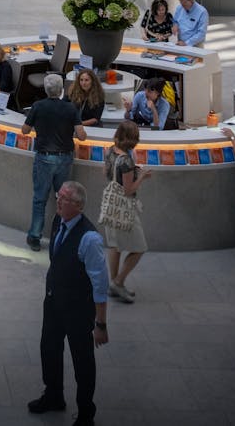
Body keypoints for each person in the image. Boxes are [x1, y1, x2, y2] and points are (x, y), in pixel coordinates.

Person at [27, 181, 109, 424]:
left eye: (64, 198)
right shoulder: (58, 220)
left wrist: (100, 324)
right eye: (59, 196)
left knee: (82, 360)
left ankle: (85, 413)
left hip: (77, 310)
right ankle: (53, 395)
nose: (58, 201)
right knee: (49, 348)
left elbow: (100, 284)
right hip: (54, 302)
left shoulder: (90, 239)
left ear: (79, 206)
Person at [21, 72, 87, 250]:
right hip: (65, 158)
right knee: (64, 199)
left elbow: (25, 130)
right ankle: (59, 235)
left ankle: (35, 237)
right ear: (61, 90)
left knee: (39, 199)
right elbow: (82, 135)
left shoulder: (38, 106)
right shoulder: (71, 108)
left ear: (46, 89)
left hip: (44, 158)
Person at [102, 119, 152, 303]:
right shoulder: (127, 161)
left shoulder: (109, 151)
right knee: (139, 248)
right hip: (124, 208)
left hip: (110, 205)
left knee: (115, 245)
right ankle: (118, 282)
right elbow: (128, 190)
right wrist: (142, 176)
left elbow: (105, 173)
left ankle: (114, 284)